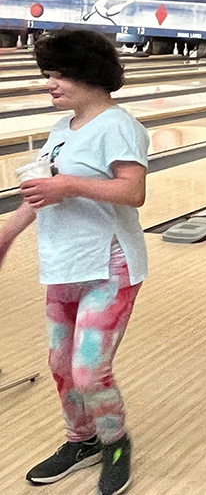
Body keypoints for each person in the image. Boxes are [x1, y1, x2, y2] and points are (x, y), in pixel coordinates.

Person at [0, 29, 150, 495]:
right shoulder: (61, 130)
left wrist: (70, 186)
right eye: (48, 75)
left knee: (89, 371)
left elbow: (133, 191)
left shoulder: (119, 125)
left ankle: (115, 442)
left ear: (85, 74)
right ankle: (79, 440)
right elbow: (42, 191)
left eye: (57, 75)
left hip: (110, 265)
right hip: (63, 264)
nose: (49, 84)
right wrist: (6, 232)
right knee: (61, 365)